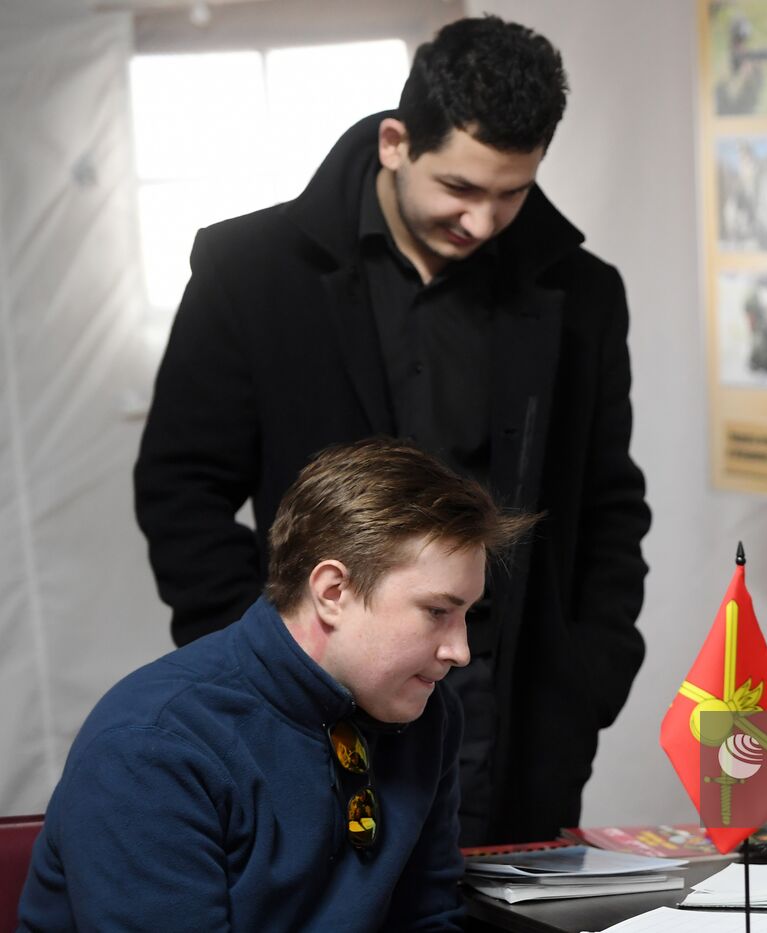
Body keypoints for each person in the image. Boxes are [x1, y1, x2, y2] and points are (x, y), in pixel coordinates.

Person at [133, 15, 651, 845]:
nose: (482, 221)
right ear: (396, 141)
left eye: (511, 193)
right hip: (315, 691)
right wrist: (259, 660)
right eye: (460, 188)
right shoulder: (251, 270)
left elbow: (610, 499)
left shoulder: (583, 292)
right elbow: (180, 489)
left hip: (507, 712)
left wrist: (590, 672)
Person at [22, 439, 531, 930]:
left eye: (467, 614)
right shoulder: (151, 748)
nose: (460, 651)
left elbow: (427, 919)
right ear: (333, 592)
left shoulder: (427, 713)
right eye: (437, 611)